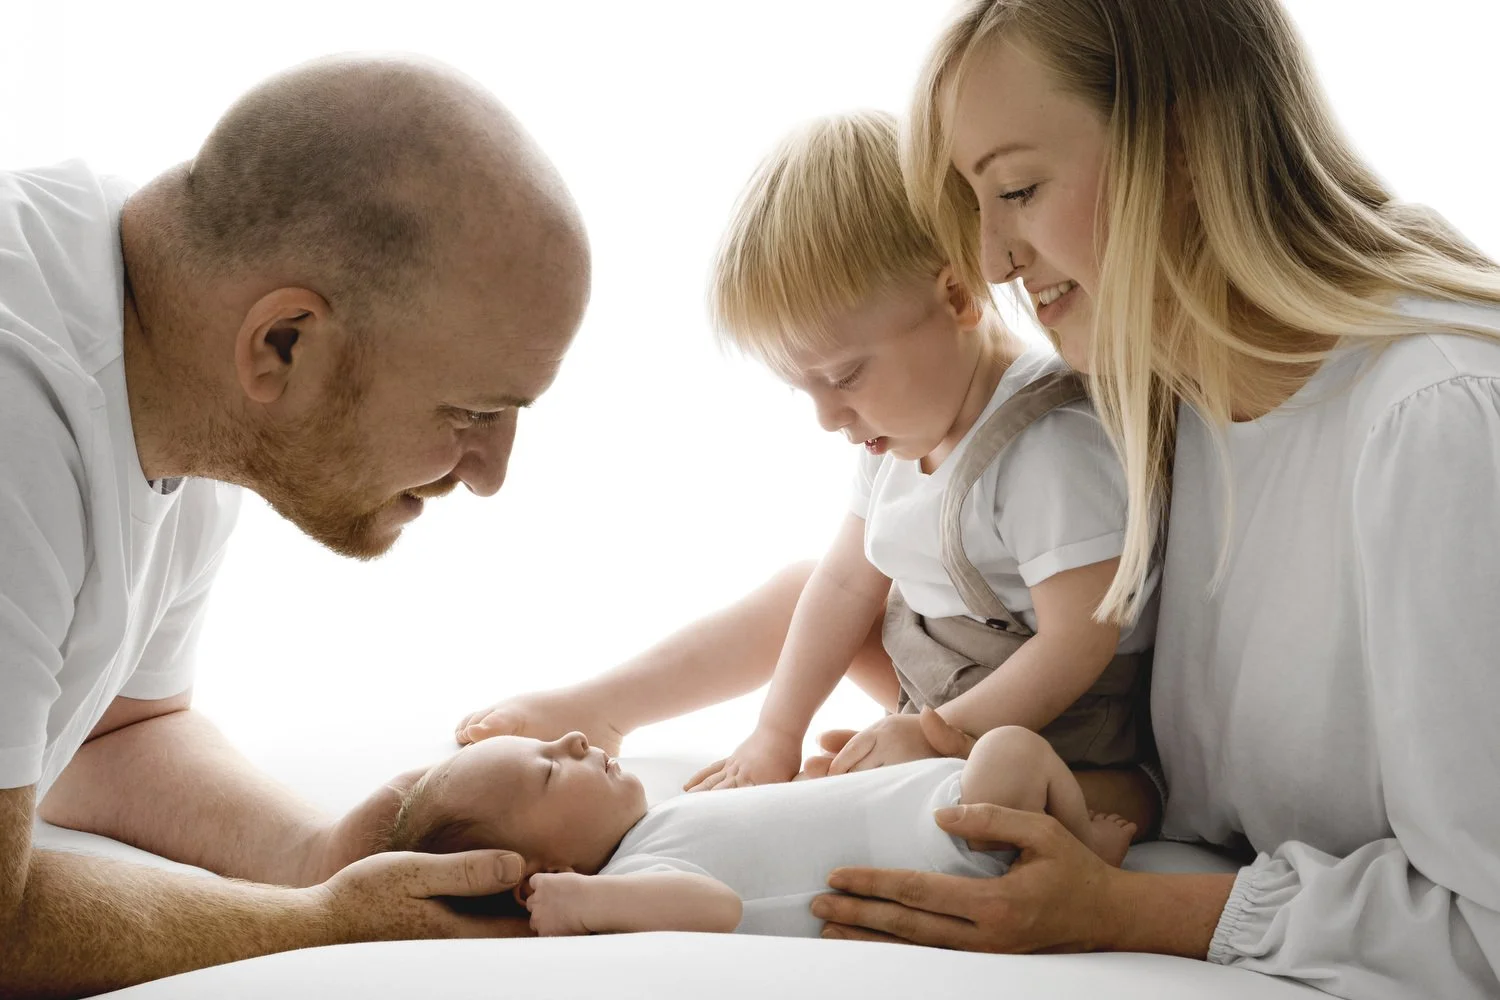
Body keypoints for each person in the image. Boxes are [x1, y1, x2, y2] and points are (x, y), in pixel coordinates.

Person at [803, 3, 1500, 999]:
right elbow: (859, 561)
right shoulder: (1166, 391)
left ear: (1181, 144)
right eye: (978, 205)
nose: (993, 259)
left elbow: (1490, 921)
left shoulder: (1438, 420)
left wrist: (1117, 910)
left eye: (1020, 189)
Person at [0, 54, 590, 996]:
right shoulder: (18, 416)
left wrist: (320, 854)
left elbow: (112, 735)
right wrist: (320, 925)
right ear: (284, 341)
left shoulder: (169, 345)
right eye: (472, 413)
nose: (489, 475)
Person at [456, 110, 1161, 831]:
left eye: (846, 375)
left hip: (1064, 741)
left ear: (956, 298)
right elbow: (848, 582)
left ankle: (1068, 810)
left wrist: (932, 736)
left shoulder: (1048, 446)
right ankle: (607, 707)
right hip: (942, 690)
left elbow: (1078, 643)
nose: (829, 417)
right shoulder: (900, 430)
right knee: (807, 588)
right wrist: (776, 732)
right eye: (807, 390)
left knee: (997, 782)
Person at [388, 720, 1139, 938]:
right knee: (1013, 750)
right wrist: (586, 904)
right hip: (953, 849)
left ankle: (1074, 840)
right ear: (537, 872)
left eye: (552, 739)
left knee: (1024, 753)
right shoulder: (630, 881)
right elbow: (719, 909)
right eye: (550, 771)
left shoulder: (664, 816)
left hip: (937, 794)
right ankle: (1080, 856)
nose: (577, 741)